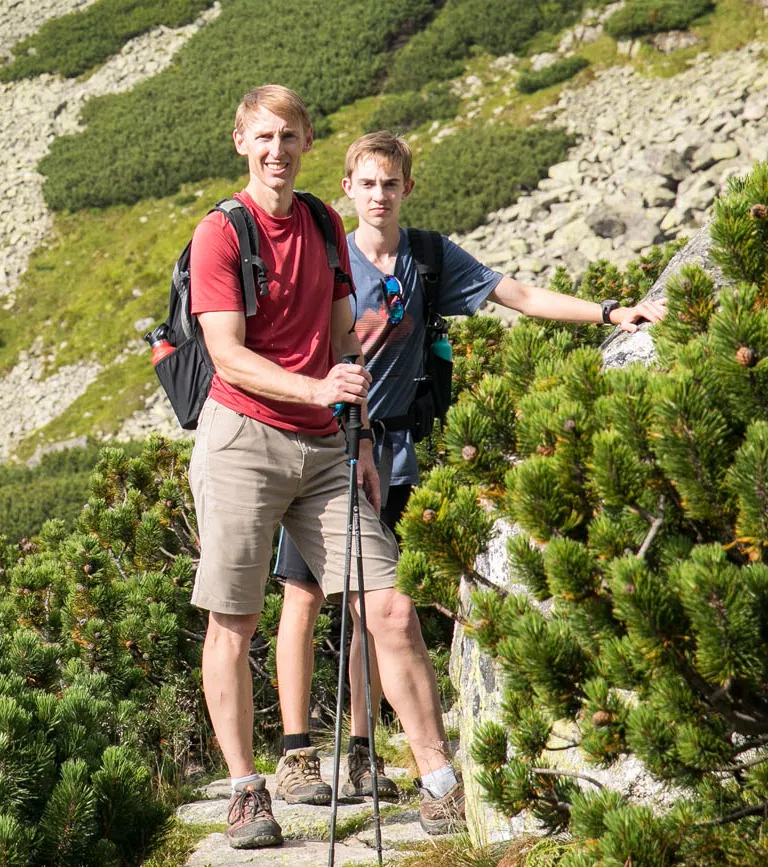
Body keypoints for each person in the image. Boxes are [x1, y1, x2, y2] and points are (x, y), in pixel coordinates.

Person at [270, 131, 667, 827]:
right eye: (366, 183)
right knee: (302, 594)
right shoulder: (330, 258)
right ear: (348, 188)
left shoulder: (428, 258)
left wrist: (609, 312)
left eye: (390, 183)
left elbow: (517, 293)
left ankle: (364, 749)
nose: (379, 195)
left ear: (407, 189)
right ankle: (297, 753)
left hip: (396, 454)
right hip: (327, 447)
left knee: (378, 603)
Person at [188, 89, 461, 850]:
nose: (278, 149)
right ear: (242, 139)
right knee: (234, 621)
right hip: (243, 437)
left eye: (291, 136)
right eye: (264, 136)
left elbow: (344, 334)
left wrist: (364, 439)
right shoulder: (219, 234)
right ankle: (248, 789)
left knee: (392, 608)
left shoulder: (320, 223)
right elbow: (227, 353)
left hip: (327, 447)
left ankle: (438, 778)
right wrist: (315, 389)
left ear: (308, 142)